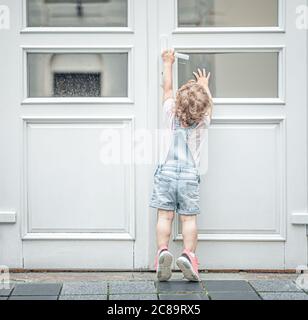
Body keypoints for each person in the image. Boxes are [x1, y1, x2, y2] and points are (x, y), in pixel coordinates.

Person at [149, 48, 213, 281]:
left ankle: (162, 252)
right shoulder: (204, 121)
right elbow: (209, 104)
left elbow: (167, 88)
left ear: (178, 102)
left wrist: (168, 62)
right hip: (188, 176)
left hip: (165, 173)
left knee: (165, 217)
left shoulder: (170, 112)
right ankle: (188, 255)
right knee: (188, 219)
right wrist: (204, 85)